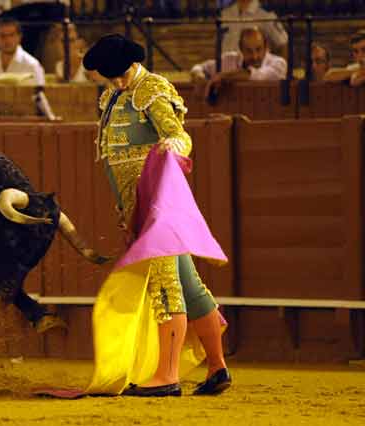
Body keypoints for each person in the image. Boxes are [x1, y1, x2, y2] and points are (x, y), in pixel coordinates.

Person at [81, 34, 231, 397]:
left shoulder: (152, 88)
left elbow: (180, 136)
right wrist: (125, 208)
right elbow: (117, 160)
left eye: (119, 74)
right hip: (138, 207)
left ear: (133, 64)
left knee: (166, 284)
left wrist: (172, 146)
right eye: (109, 76)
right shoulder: (113, 96)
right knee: (190, 287)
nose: (116, 81)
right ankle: (217, 368)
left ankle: (167, 375)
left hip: (159, 204)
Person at [190, 27, 286, 100]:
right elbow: (198, 67)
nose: (255, 56)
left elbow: (256, 75)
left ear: (266, 47)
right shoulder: (229, 59)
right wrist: (200, 78)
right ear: (241, 49)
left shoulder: (278, 64)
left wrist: (222, 76)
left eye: (258, 49)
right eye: (249, 51)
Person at [0, 17, 45, 87]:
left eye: (11, 35)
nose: (7, 40)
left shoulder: (32, 65)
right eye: (2, 36)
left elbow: (39, 95)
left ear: (19, 36)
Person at [220, 0, 288, 55]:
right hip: (227, 70)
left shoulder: (265, 14)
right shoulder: (225, 13)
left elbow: (283, 45)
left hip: (256, 69)